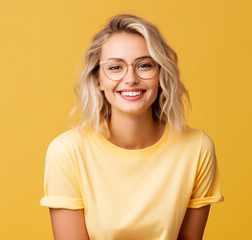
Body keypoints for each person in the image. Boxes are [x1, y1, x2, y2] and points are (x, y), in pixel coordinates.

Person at [39, 14, 225, 240]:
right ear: (98, 79)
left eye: (144, 65)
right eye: (115, 67)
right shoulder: (67, 152)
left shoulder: (197, 148)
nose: (130, 79)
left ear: (161, 74)